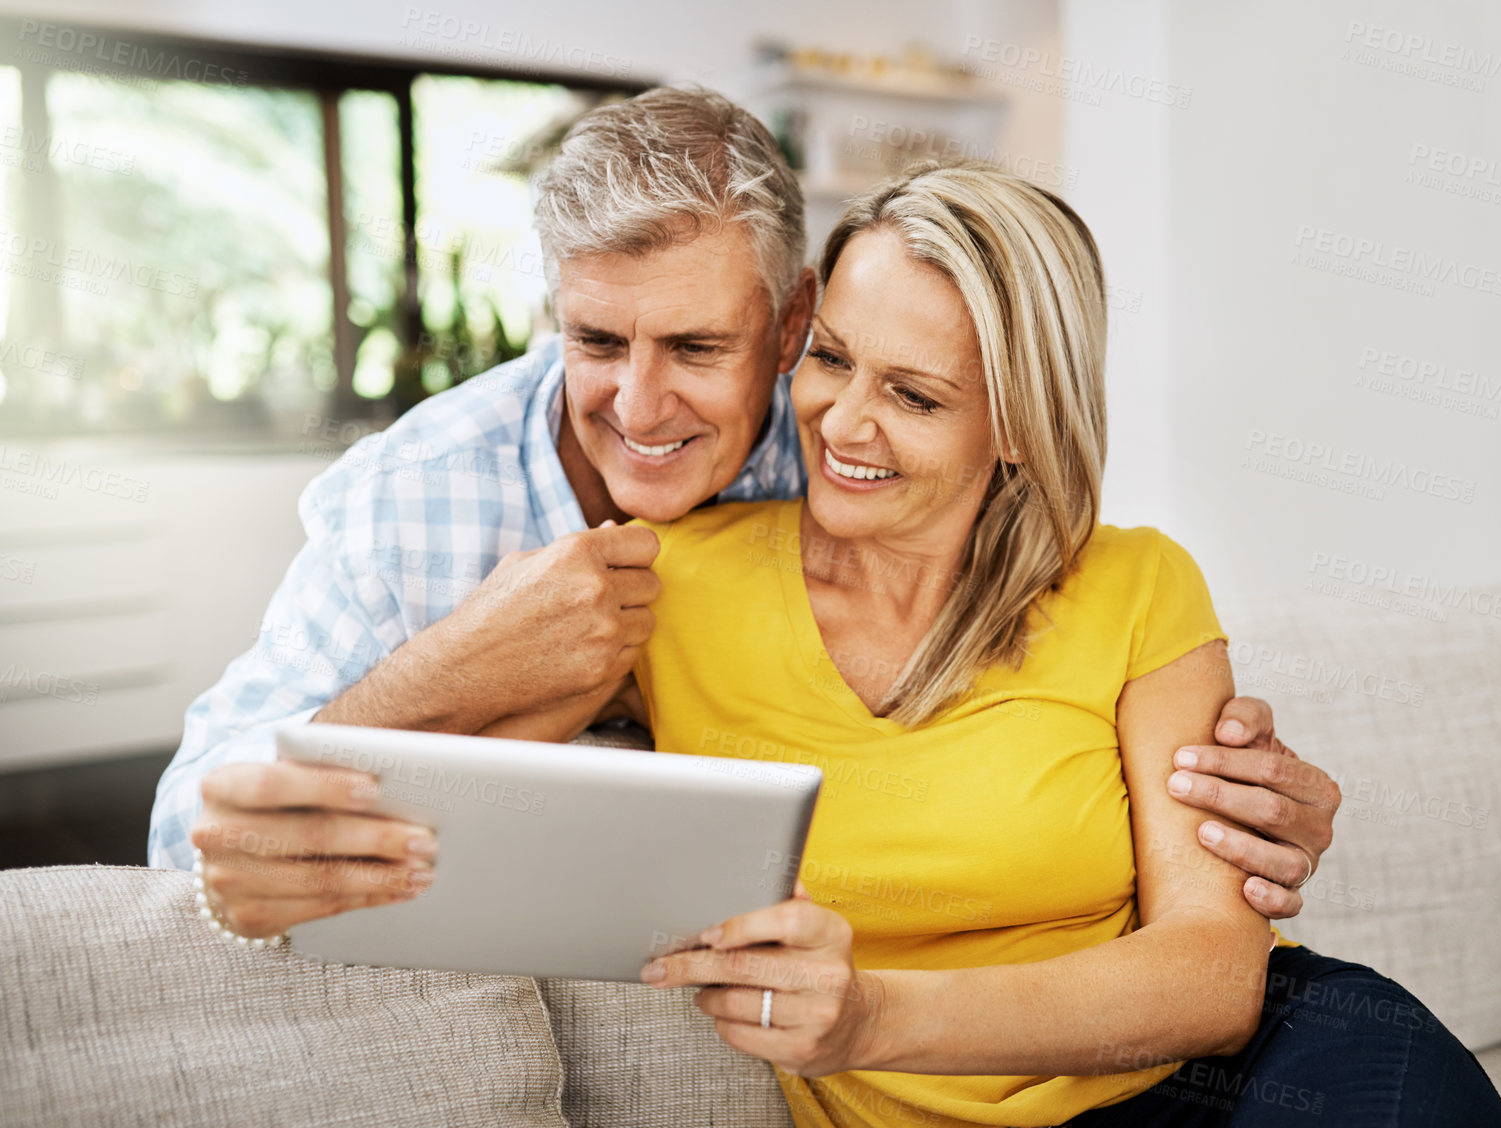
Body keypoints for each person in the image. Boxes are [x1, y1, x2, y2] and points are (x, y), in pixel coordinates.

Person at [148, 87, 1340, 940]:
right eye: (597, 341)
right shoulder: (409, 497)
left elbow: (1047, 622)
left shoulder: (838, 437)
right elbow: (179, 846)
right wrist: (444, 669)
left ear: (789, 327)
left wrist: (1237, 803)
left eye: (698, 347)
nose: (640, 402)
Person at [503, 160, 1501, 1128]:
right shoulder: (665, 580)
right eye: (834, 360)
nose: (843, 422)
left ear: (1023, 422)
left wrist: (870, 1019)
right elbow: (435, 787)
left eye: (915, 396)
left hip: (1246, 1076)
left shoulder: (1138, 583)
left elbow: (1212, 973)